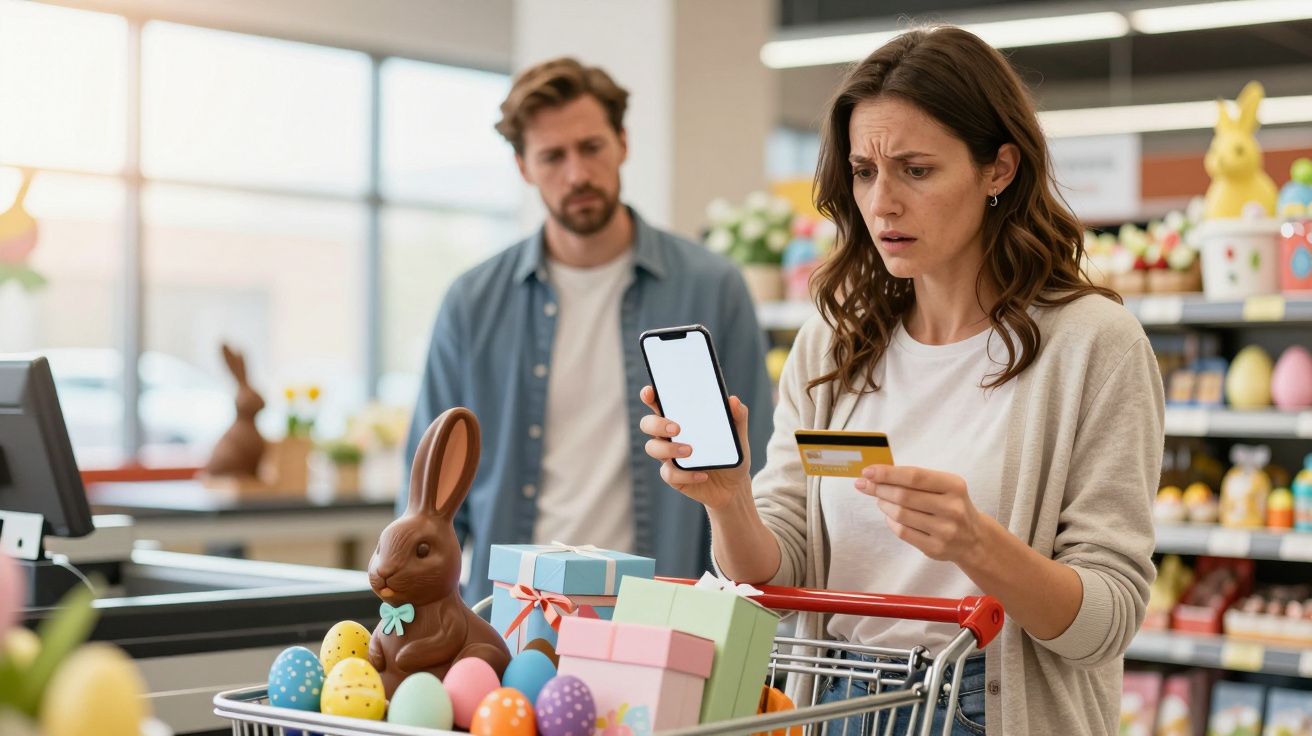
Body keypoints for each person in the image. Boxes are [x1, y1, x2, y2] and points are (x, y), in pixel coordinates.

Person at [640, 26, 1164, 736]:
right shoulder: (834, 342)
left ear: (999, 169)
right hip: (838, 702)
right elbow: (775, 581)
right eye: (863, 172)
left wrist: (978, 544)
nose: (882, 203)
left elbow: (1105, 620)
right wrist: (730, 504)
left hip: (990, 706)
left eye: (916, 170)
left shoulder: (1093, 346)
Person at [405, 57, 774, 604]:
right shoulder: (471, 303)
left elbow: (756, 474)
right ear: (523, 167)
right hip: (512, 615)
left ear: (622, 142)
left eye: (591, 147)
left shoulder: (713, 288)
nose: (576, 174)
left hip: (665, 610)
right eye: (553, 156)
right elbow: (428, 496)